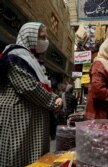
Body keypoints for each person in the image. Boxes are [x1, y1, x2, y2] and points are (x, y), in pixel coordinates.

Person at [0, 22, 63, 167]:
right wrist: (54, 100)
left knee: (34, 160)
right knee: (17, 157)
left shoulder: (32, 59)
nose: (45, 41)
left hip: (32, 121)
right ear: (30, 37)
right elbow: (30, 88)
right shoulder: (15, 56)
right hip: (18, 120)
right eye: (42, 37)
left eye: (46, 37)